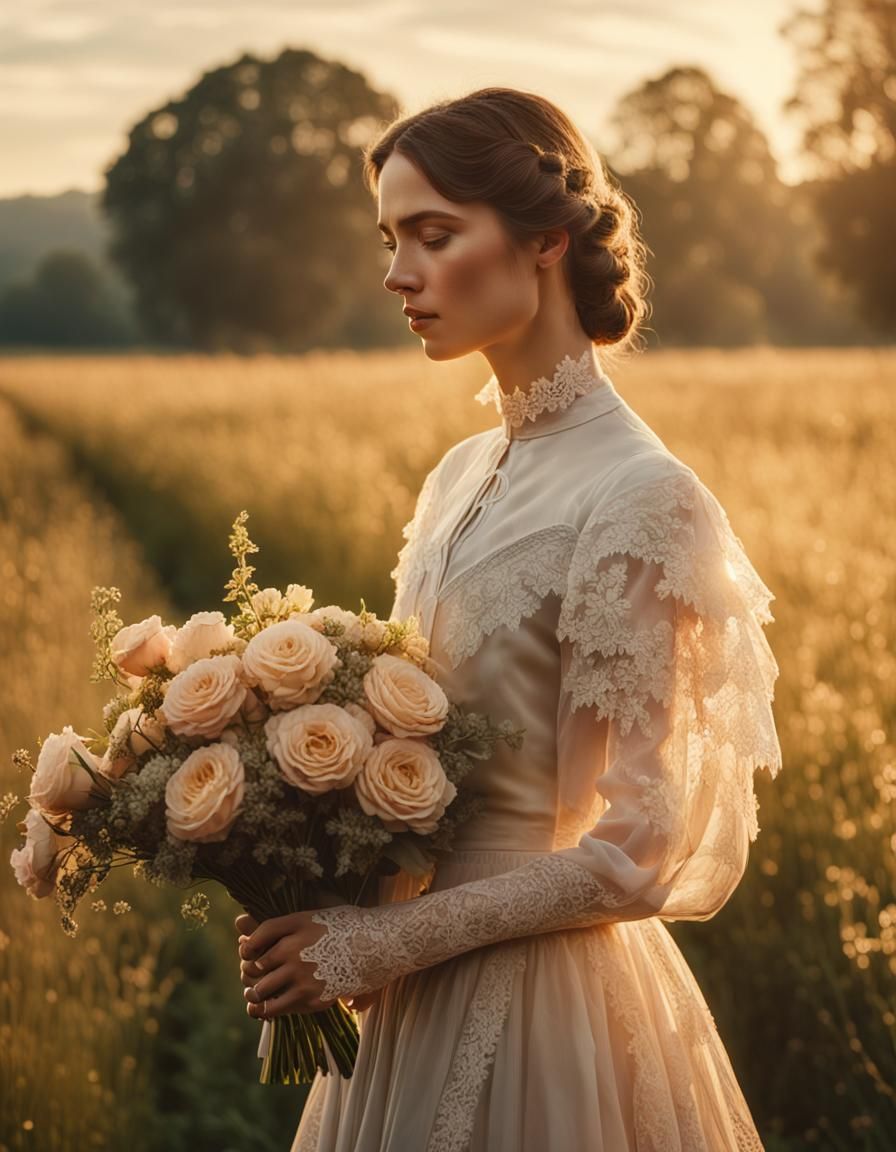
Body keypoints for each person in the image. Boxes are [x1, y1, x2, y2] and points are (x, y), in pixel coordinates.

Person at [235, 86, 783, 1151]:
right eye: (391, 240)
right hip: (407, 1002)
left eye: (434, 235)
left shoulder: (641, 495)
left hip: (543, 1005)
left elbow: (640, 846)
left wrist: (386, 943)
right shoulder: (456, 473)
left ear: (545, 239)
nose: (399, 273)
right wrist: (310, 896)